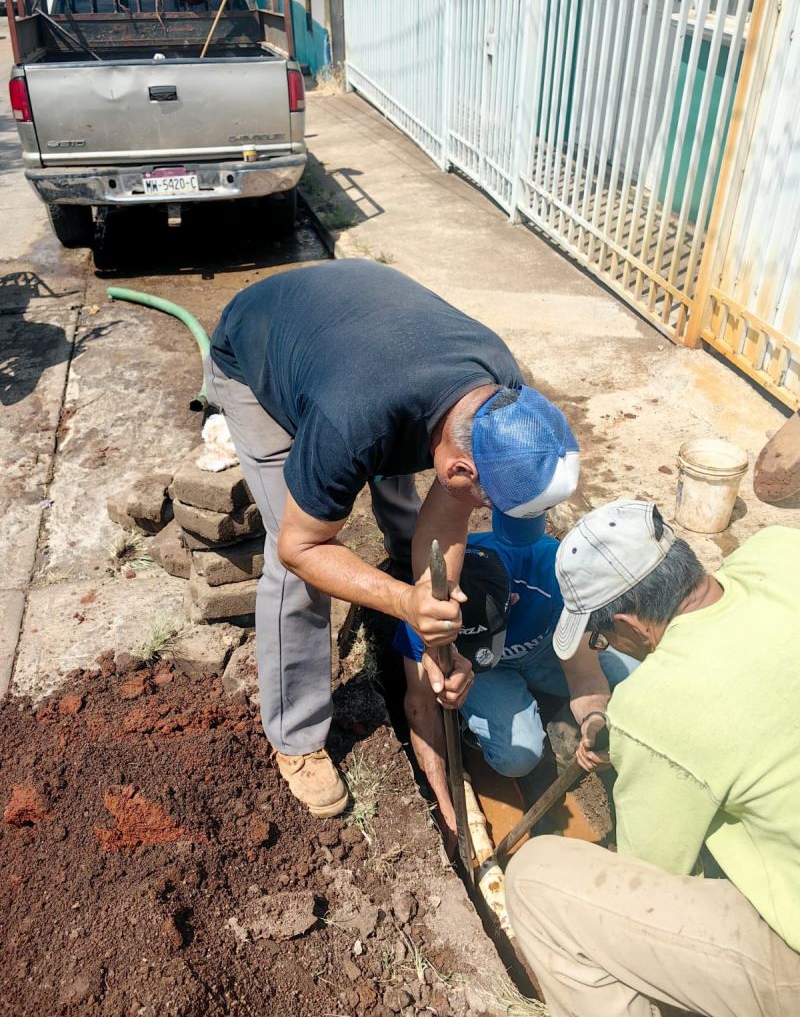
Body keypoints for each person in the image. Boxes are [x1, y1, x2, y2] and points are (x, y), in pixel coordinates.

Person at [205, 259, 580, 817]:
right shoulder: (349, 420)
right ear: (459, 472)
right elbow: (300, 547)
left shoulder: (501, 390)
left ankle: (406, 626)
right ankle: (297, 738)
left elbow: (447, 514)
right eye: (485, 501)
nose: (483, 511)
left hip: (363, 344)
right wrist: (406, 601)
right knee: (297, 574)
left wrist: (436, 642)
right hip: (259, 353)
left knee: (407, 518)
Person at [505, 499, 800, 1017]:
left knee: (533, 881)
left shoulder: (657, 708)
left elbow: (648, 877)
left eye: (601, 638)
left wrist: (642, 737)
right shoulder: (781, 552)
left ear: (630, 624)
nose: (606, 646)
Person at [395, 508, 638, 847]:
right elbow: (421, 707)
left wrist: (595, 720)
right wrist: (446, 809)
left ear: (513, 599)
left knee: (635, 680)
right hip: (488, 675)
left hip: (548, 650)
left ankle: (556, 715)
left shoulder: (554, 574)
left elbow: (584, 674)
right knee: (518, 759)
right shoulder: (423, 615)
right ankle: (477, 725)